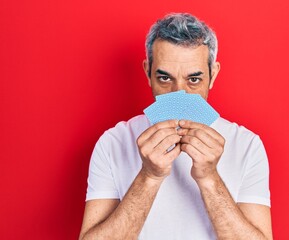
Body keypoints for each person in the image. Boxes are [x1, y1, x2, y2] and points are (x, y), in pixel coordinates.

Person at [79, 13, 272, 240]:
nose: (178, 94)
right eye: (164, 78)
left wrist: (210, 178)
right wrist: (149, 176)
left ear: (213, 75)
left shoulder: (247, 145)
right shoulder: (113, 142)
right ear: (147, 72)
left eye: (193, 80)